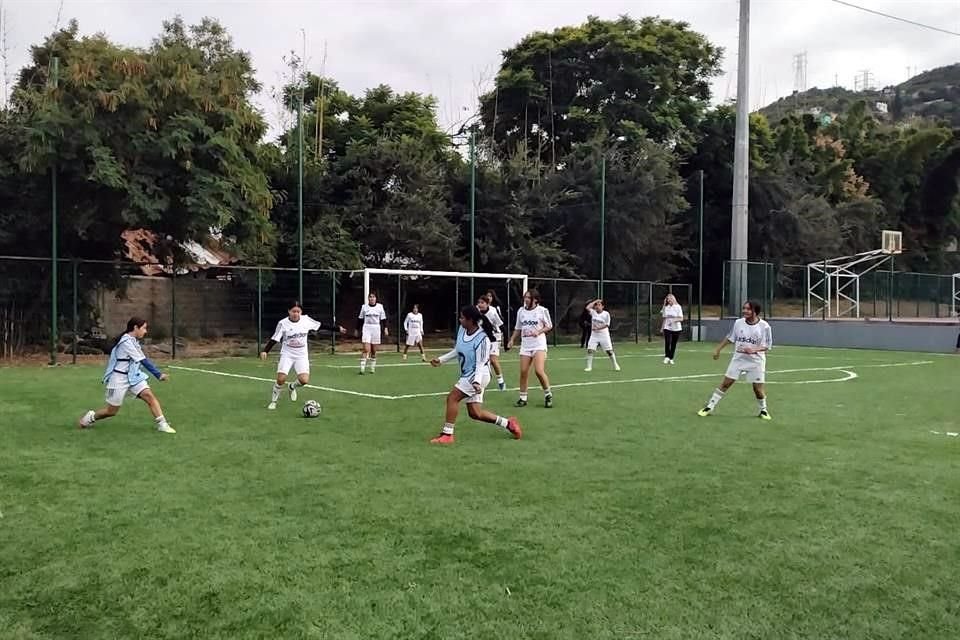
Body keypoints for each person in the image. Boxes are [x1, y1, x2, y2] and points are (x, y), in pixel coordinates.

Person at [429, 305, 522, 444]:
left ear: (470, 320)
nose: (459, 320)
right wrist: (441, 360)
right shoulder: (462, 330)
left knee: (452, 398)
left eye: (462, 318)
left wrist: (476, 382)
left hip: (478, 375)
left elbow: (480, 363)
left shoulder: (482, 339)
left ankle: (447, 435)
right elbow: (458, 350)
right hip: (469, 375)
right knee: (475, 413)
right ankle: (508, 423)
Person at [77, 317, 175, 434]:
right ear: (135, 328)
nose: (146, 331)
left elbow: (140, 360)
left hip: (134, 377)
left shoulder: (133, 341)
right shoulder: (126, 342)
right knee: (111, 411)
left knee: (149, 396)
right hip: (119, 379)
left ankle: (162, 424)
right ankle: (91, 417)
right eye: (144, 328)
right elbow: (143, 360)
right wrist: (158, 374)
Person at [260, 301, 346, 410]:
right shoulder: (283, 323)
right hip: (287, 354)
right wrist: (265, 351)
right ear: (289, 311)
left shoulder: (306, 320)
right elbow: (274, 338)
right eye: (293, 311)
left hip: (301, 355)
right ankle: (274, 401)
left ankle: (292, 386)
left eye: (298, 311)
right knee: (281, 379)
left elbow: (321, 325)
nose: (296, 314)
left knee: (304, 380)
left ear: (301, 312)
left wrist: (337, 328)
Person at [697, 301, 773, 420]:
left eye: (748, 309)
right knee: (726, 383)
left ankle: (763, 410)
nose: (745, 311)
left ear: (755, 311)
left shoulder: (765, 326)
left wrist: (753, 350)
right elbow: (730, 337)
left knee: (757, 389)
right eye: (744, 308)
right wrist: (718, 349)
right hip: (738, 359)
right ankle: (709, 407)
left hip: (756, 361)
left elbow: (768, 346)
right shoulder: (738, 323)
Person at [507, 289, 554, 408]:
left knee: (538, 371)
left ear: (535, 299)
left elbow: (549, 326)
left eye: (528, 297)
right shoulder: (521, 311)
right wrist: (512, 339)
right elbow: (518, 328)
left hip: (539, 345)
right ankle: (523, 398)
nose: (526, 299)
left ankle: (548, 395)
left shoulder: (542, 311)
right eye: (525, 297)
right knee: (523, 371)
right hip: (526, 345)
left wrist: (538, 331)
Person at [477, 295, 507, 390]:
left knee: (493, 360)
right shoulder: (476, 312)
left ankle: (501, 381)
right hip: (483, 338)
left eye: (482, 303)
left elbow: (502, 327)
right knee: (481, 359)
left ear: (487, 304)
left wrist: (506, 341)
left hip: (495, 337)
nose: (480, 305)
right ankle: (480, 380)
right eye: (479, 303)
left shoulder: (493, 312)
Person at [583, 299, 621, 372]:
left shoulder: (606, 314)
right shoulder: (593, 312)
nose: (597, 306)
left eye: (599, 305)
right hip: (594, 335)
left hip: (604, 335)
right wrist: (595, 301)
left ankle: (615, 365)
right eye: (596, 305)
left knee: (609, 351)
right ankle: (589, 367)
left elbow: (607, 324)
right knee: (590, 350)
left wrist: (598, 328)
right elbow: (587, 307)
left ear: (603, 306)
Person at [356, 292, 388, 374]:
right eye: (370, 297)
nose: (372, 298)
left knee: (374, 351)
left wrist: (385, 328)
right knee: (366, 349)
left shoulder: (380, 307)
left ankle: (372, 367)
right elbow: (360, 319)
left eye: (373, 297)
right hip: (367, 328)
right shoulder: (364, 307)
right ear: (368, 298)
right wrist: (356, 329)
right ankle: (362, 368)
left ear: (376, 298)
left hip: (376, 328)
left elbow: (384, 319)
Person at [661, 293, 684, 364]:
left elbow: (681, 318)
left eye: (670, 299)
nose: (669, 300)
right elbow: (664, 317)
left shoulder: (678, 307)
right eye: (668, 299)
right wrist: (662, 327)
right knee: (667, 342)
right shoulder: (666, 307)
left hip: (676, 328)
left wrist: (674, 321)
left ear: (673, 299)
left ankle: (671, 358)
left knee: (674, 343)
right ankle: (666, 357)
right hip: (667, 327)